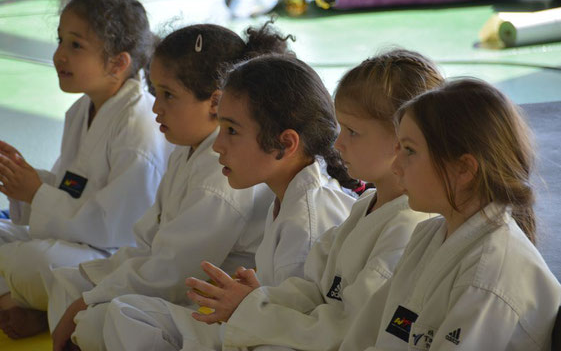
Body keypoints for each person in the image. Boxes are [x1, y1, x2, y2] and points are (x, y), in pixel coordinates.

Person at [104, 48, 443, 351]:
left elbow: (350, 327)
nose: (339, 144)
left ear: (402, 142)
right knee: (124, 315)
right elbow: (312, 288)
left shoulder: (404, 225)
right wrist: (258, 298)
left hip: (306, 338)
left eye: (352, 132)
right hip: (281, 326)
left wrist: (254, 308)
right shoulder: (365, 207)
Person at [48, 22, 294, 351]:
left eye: (168, 95)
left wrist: (89, 300)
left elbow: (175, 273)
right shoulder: (186, 151)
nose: (155, 106)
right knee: (65, 282)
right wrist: (93, 288)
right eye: (154, 91)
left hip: (206, 301)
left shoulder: (221, 174)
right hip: (175, 285)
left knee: (100, 318)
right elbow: (148, 243)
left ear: (214, 102)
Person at [0, 0, 173, 338]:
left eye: (75, 45)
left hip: (116, 258)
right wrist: (27, 179)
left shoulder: (139, 132)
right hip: (72, 243)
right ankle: (19, 305)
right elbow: (72, 186)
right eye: (60, 40)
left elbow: (117, 231)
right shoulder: (83, 109)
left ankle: (39, 309)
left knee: (26, 261)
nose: (59, 55)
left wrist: (36, 194)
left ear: (118, 63)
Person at [341, 78, 561, 350]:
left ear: (464, 169)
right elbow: (366, 333)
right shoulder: (429, 236)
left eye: (409, 150)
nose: (395, 165)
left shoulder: (489, 276)